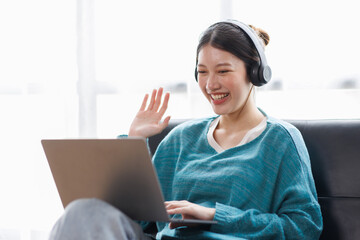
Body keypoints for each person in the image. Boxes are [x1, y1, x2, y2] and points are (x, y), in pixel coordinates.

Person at [49, 20, 323, 240]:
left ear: (254, 73)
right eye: (202, 72)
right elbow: (135, 217)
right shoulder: (180, 139)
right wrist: (133, 142)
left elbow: (304, 226)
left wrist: (213, 215)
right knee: (81, 212)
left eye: (223, 71)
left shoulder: (280, 140)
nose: (210, 84)